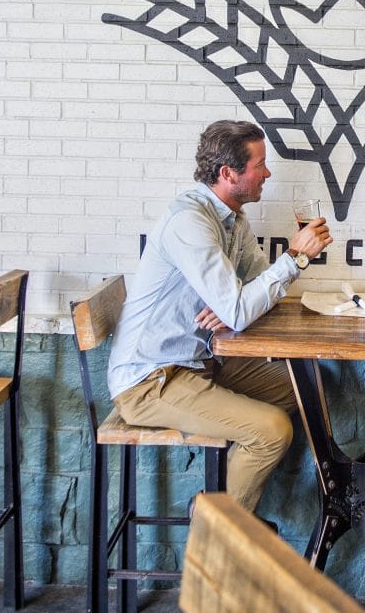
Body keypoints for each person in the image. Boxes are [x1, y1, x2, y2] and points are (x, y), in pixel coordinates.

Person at [107, 119, 332, 515]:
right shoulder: (190, 222)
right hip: (150, 380)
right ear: (229, 173)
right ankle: (215, 531)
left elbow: (253, 295)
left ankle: (221, 500)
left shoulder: (233, 219)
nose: (268, 174)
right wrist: (295, 258)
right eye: (260, 165)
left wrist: (237, 306)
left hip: (197, 363)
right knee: (272, 432)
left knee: (306, 387)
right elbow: (242, 306)